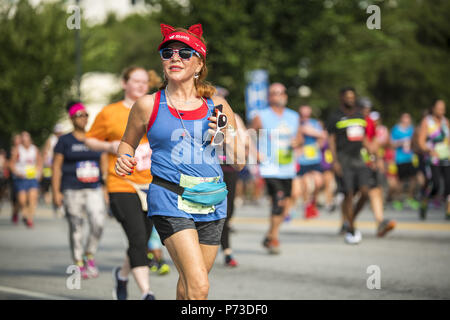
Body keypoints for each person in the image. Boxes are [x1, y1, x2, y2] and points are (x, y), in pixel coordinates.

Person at [115, 23, 245, 300]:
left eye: (185, 53)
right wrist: (123, 157)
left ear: (199, 64)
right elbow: (128, 142)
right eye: (168, 53)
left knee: (189, 286)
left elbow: (241, 161)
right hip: (170, 198)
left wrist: (225, 136)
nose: (175, 57)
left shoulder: (217, 105)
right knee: (200, 287)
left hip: (211, 200)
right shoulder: (148, 105)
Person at [84, 66, 155, 300]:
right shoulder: (109, 112)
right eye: (136, 81)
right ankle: (147, 293)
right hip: (121, 182)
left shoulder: (155, 108)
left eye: (145, 82)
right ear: (124, 83)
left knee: (142, 240)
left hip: (151, 182)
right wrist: (109, 146)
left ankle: (122, 276)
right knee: (136, 237)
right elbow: (90, 140)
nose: (141, 86)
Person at [52, 102, 107, 279]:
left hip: (94, 188)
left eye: (85, 115)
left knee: (98, 222)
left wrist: (106, 185)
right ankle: (78, 262)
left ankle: (89, 254)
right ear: (72, 118)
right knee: (76, 226)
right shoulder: (64, 141)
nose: (83, 118)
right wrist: (56, 192)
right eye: (79, 115)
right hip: (71, 189)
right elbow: (56, 167)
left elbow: (104, 158)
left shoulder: (95, 138)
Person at [251, 83, 300, 254]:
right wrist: (255, 153)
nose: (278, 96)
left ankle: (270, 235)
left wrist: (297, 142)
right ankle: (274, 239)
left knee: (285, 203)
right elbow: (249, 136)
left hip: (287, 166)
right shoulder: (261, 116)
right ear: (269, 97)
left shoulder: (294, 116)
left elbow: (299, 137)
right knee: (278, 200)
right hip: (269, 167)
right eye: (274, 93)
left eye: (281, 92)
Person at [327, 87, 371, 244]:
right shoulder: (335, 117)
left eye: (353, 97)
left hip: (359, 159)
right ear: (341, 98)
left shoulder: (360, 116)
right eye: (347, 97)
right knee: (349, 194)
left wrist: (373, 154)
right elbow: (331, 140)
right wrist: (334, 161)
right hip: (343, 160)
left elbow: (363, 137)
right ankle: (351, 228)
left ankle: (350, 220)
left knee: (365, 192)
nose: (350, 99)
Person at [352, 106, 396, 238]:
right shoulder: (353, 120)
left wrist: (377, 159)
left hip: (368, 163)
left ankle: (380, 222)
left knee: (374, 190)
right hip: (353, 163)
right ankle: (348, 221)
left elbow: (374, 140)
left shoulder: (370, 122)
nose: (366, 112)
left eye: (368, 110)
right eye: (363, 109)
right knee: (353, 194)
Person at [417, 99, 450, 220]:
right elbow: (421, 142)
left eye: (443, 108)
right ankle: (424, 202)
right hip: (433, 158)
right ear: (434, 108)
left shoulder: (446, 122)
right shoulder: (427, 122)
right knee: (435, 185)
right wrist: (429, 150)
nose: (441, 111)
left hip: (446, 157)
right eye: (439, 108)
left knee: (448, 184)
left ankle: (448, 210)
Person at [292, 105, 325, 219]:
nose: (305, 117)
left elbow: (323, 137)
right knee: (305, 184)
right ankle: (307, 207)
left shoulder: (315, 123)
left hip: (314, 158)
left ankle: (313, 204)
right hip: (302, 160)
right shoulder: (296, 124)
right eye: (302, 115)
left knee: (318, 182)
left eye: (307, 115)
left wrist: (316, 141)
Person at [9, 131, 42, 228]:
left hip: (32, 178)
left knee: (33, 198)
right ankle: (20, 212)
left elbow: (39, 161)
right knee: (22, 200)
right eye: (23, 139)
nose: (25, 141)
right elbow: (11, 164)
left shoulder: (34, 149)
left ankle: (29, 218)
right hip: (21, 178)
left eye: (27, 139)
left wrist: (38, 172)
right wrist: (17, 172)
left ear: (30, 139)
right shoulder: (17, 150)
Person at [390, 113, 420, 210]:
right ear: (401, 119)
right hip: (400, 159)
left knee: (414, 179)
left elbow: (416, 141)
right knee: (401, 181)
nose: (406, 120)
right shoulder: (396, 129)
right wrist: (400, 142)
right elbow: (391, 144)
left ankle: (410, 198)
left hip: (411, 158)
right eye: (404, 118)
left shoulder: (412, 129)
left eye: (408, 118)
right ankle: (397, 200)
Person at [41, 123, 64, 214]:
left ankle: (59, 203)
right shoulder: (51, 140)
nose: (59, 134)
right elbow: (46, 153)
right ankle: (54, 201)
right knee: (50, 183)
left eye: (60, 132)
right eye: (58, 132)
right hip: (50, 165)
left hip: (60, 164)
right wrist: (47, 164)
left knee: (60, 184)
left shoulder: (63, 140)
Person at [8, 134, 22, 224]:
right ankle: (15, 212)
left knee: (20, 197)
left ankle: (17, 212)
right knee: (14, 198)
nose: (17, 142)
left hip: (22, 177)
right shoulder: (10, 150)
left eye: (19, 140)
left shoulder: (23, 150)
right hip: (12, 177)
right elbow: (7, 162)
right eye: (16, 140)